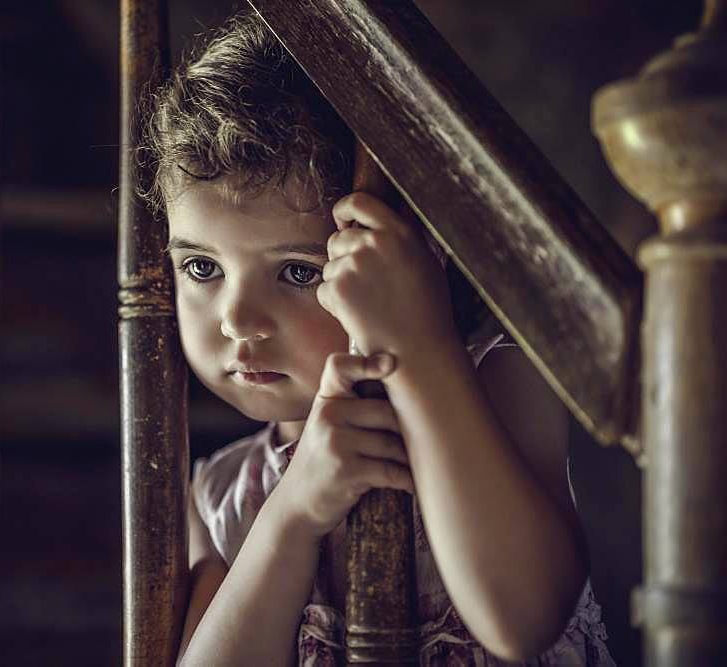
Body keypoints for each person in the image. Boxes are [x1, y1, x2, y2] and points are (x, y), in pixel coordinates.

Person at [139, 10, 615, 666]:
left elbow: (523, 620)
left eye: (298, 271)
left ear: (410, 260)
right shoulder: (219, 496)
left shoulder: (497, 376)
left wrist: (420, 350)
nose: (237, 318)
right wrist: (293, 513)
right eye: (202, 267)